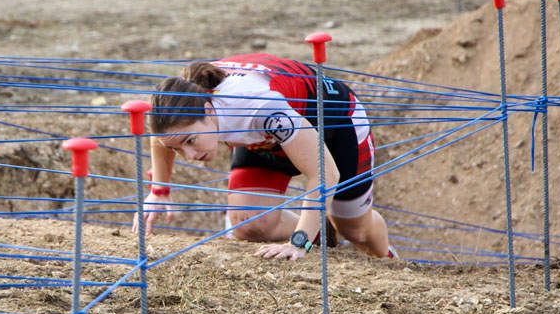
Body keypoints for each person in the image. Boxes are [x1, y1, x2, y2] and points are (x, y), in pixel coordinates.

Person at [135, 53, 395, 261]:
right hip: (270, 135)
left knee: (355, 230)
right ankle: (319, 231)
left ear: (208, 110)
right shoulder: (181, 111)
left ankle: (392, 262)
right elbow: (163, 136)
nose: (189, 156)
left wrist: (298, 243)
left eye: (190, 142)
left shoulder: (255, 105)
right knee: (247, 223)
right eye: (178, 148)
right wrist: (159, 191)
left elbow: (325, 173)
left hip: (334, 126)